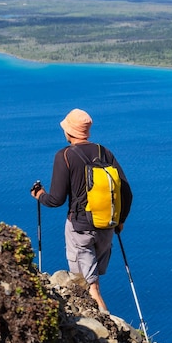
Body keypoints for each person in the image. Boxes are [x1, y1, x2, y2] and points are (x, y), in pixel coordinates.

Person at [31, 108, 132, 312]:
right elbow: (126, 192)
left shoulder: (65, 156)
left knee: (89, 285)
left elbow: (56, 200)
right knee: (93, 281)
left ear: (69, 131)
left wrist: (40, 195)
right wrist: (120, 221)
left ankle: (106, 335)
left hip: (80, 229)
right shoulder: (104, 152)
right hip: (107, 227)